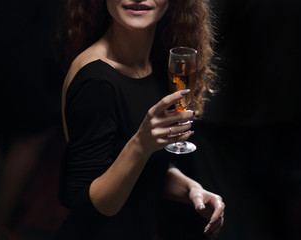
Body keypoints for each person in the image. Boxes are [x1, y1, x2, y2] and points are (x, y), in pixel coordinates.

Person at [55, 0, 225, 239]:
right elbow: (86, 208)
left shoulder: (154, 62)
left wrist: (191, 189)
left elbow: (138, 170)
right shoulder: (96, 80)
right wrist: (140, 143)